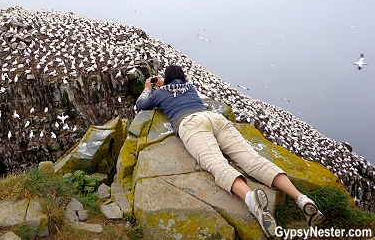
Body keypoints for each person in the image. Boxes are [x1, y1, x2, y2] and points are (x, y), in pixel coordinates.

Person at [135, 65, 324, 237]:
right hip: (214, 118)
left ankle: (252, 201)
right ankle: (301, 198)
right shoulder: (190, 88)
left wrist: (149, 87)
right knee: (252, 159)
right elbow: (177, 89)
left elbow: (141, 105)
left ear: (165, 79)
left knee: (218, 165)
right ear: (183, 77)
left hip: (190, 124)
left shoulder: (160, 93)